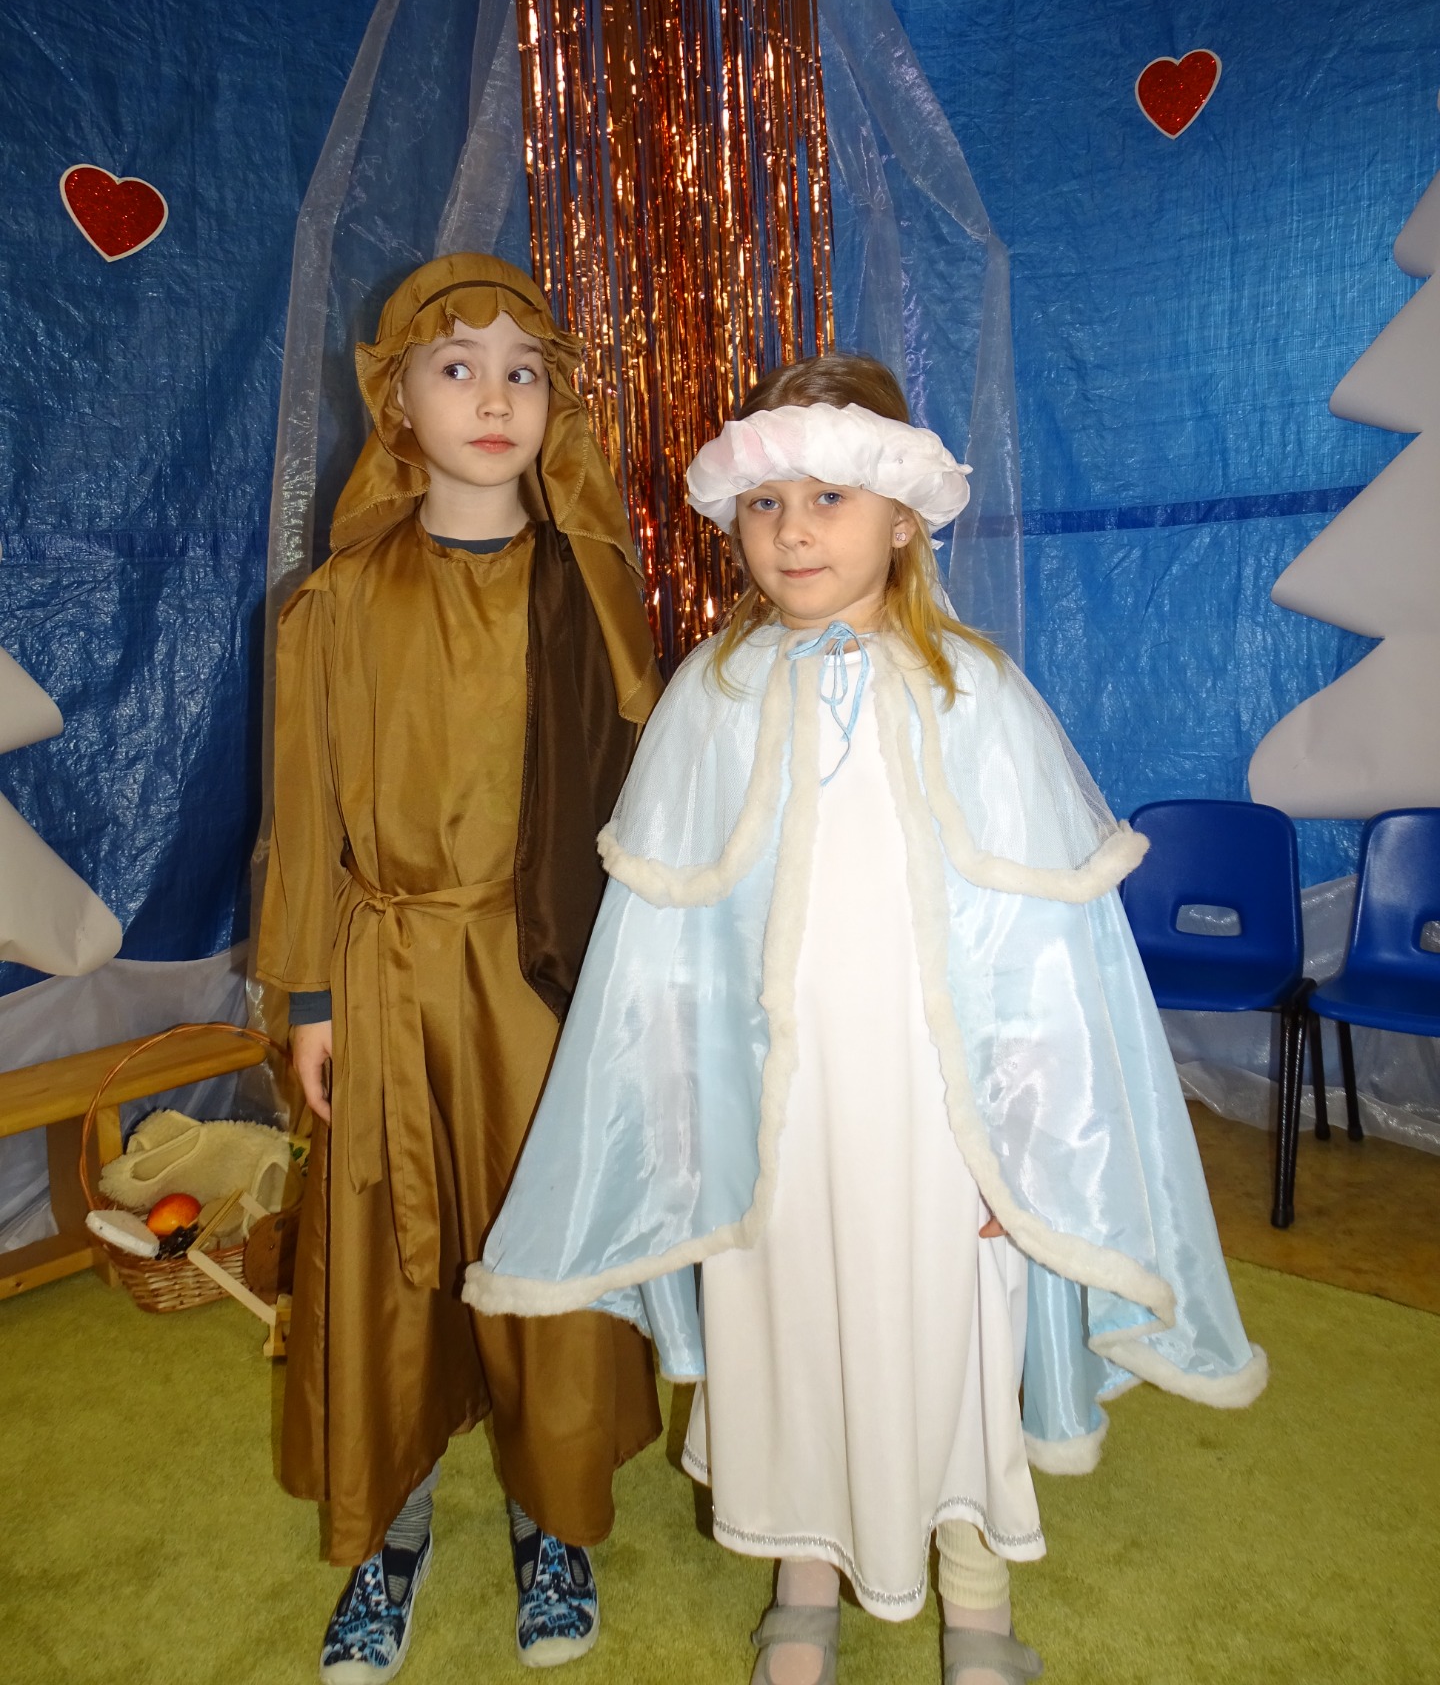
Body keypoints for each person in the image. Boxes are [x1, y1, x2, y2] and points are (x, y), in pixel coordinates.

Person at [466, 352, 1267, 1685]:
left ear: (901, 517)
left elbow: (1045, 955)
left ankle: (977, 1602)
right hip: (776, 1124)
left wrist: (1018, 1149)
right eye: (766, 503)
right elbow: (663, 949)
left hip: (934, 1126)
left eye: (829, 498)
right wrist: (680, 1110)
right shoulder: (711, 696)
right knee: (788, 1340)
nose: (793, 531)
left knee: (946, 1343)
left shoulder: (975, 695)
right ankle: (804, 1579)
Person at [256, 253, 664, 1680]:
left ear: (557, 404)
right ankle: (393, 1530)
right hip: (383, 971)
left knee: (547, 1247)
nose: (494, 398)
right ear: (397, 403)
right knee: (385, 1260)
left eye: (523, 371)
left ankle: (553, 1521)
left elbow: (648, 801)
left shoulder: (591, 591)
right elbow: (305, 812)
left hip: (543, 984)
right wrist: (310, 998)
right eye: (457, 367)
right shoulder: (337, 602)